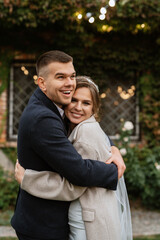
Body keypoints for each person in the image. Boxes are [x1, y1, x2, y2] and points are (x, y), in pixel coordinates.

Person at [11, 50, 126, 240]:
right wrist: (114, 171)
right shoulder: (43, 119)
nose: (69, 83)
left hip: (44, 220)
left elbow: (89, 127)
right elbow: (79, 172)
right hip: (42, 226)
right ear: (42, 83)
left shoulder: (53, 105)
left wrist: (112, 148)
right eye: (60, 77)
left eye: (72, 76)